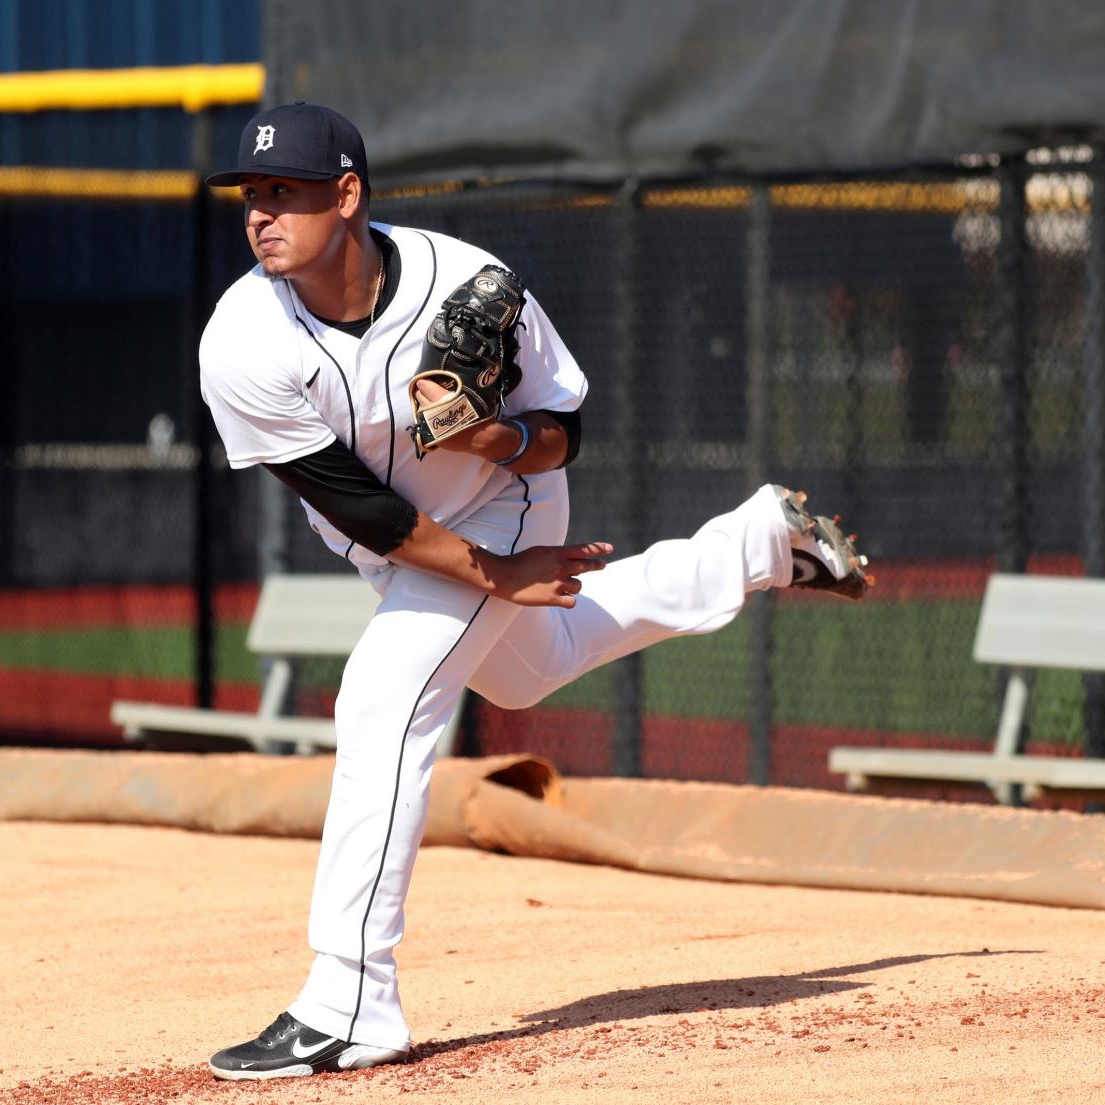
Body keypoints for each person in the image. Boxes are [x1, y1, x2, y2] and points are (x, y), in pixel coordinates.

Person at [198, 102, 870, 1080]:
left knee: (383, 695)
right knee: (530, 671)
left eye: (283, 193)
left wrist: (494, 440)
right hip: (405, 541)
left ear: (347, 195)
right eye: (251, 195)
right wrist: (499, 584)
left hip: (504, 506)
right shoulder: (242, 339)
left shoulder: (463, 284)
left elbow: (565, 433)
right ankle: (756, 542)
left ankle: (350, 997)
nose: (260, 214)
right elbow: (358, 507)